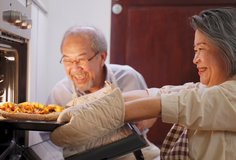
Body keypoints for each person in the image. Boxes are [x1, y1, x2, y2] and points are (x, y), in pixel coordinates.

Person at [52, 7, 236, 160]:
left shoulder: (231, 96)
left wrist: (93, 118)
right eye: (195, 50)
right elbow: (155, 94)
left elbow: (158, 105)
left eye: (202, 49)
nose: (195, 59)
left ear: (228, 49)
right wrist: (83, 106)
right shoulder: (205, 89)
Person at [32, 25, 159, 160]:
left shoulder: (129, 78)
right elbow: (50, 141)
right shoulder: (60, 93)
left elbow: (151, 113)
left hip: (133, 154)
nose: (75, 68)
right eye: (67, 60)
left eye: (81, 59)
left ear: (102, 57)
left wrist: (144, 119)